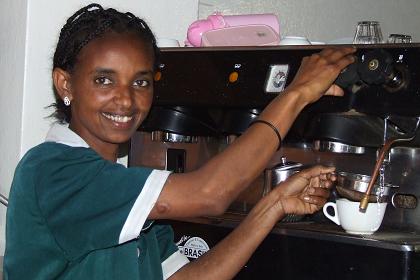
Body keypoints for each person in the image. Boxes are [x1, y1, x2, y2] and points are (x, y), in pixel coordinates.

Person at [3, 3, 356, 280]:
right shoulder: (53, 171)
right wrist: (295, 95)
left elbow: (190, 277)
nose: (126, 100)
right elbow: (209, 194)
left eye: (140, 82)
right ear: (66, 85)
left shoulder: (128, 193)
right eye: (104, 81)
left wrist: (274, 205)